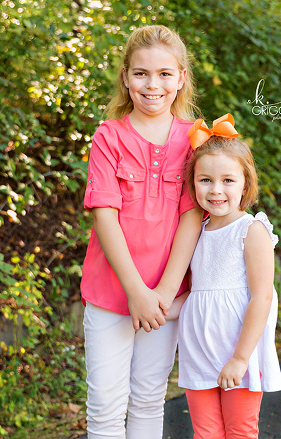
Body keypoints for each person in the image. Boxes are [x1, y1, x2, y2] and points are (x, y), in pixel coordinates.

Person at [81, 25, 204, 439]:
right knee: (105, 407)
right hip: (113, 293)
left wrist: (164, 294)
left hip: (165, 298)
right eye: (141, 73)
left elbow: (191, 217)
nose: (153, 85)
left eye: (165, 74)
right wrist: (136, 292)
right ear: (125, 77)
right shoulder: (108, 137)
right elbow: (105, 216)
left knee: (150, 398)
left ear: (182, 77)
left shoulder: (194, 140)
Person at [176, 114, 281, 439]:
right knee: (205, 433)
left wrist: (240, 358)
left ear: (245, 184)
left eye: (228, 180)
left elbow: (262, 296)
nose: (216, 190)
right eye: (205, 180)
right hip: (198, 348)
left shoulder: (252, 230)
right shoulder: (196, 229)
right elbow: (196, 290)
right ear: (193, 182)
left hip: (239, 349)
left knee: (239, 431)